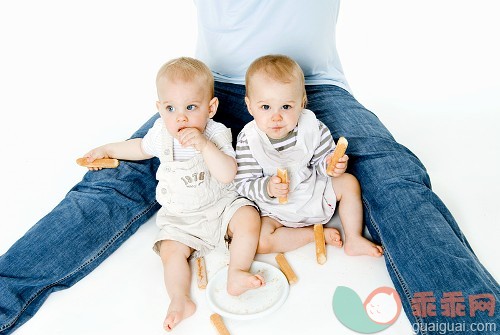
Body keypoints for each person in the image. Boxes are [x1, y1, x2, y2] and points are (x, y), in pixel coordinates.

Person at [0, 1, 498, 334]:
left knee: (391, 177)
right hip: (207, 92)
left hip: (308, 89)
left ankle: (473, 325)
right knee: (108, 185)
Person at [80, 57, 264, 331]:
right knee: (170, 250)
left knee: (248, 217)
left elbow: (227, 174)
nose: (181, 117)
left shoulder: (216, 133)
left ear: (210, 108)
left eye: (191, 107)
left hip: (220, 206)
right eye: (170, 108)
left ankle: (236, 271)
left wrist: (204, 145)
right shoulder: (161, 135)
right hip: (181, 217)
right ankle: (180, 299)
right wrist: (107, 149)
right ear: (159, 109)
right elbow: (139, 148)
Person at [235, 54, 383, 257]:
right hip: (276, 209)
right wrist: (268, 187)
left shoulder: (312, 127)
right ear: (249, 105)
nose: (276, 116)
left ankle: (354, 237)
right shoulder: (249, 139)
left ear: (302, 102)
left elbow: (322, 161)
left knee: (348, 182)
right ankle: (313, 235)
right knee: (259, 241)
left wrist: (331, 164)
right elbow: (244, 183)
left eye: (286, 106)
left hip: (312, 190)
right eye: (265, 107)